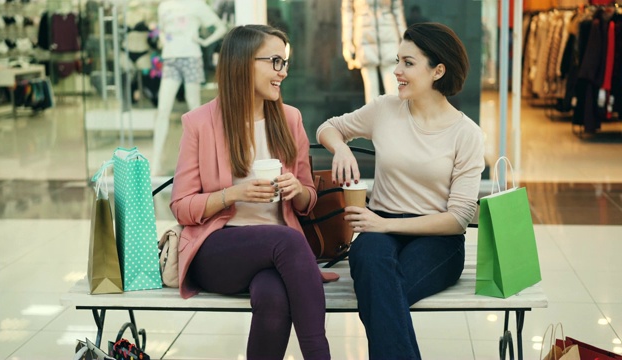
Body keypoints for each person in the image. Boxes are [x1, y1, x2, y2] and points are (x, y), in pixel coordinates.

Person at [317, 22, 485, 359]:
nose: (396, 71)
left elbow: (457, 219)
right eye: (398, 61)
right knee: (374, 269)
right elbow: (328, 128)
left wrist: (385, 225)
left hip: (438, 240)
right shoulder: (384, 109)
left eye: (408, 63)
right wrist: (343, 148)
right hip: (378, 228)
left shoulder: (466, 134)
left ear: (438, 70)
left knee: (379, 291)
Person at [170, 24, 331, 360]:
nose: (283, 72)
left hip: (276, 255)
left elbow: (308, 201)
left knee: (274, 297)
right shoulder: (199, 122)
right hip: (217, 249)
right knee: (285, 240)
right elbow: (182, 207)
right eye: (275, 61)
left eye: (285, 63)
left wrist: (297, 188)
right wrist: (233, 194)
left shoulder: (290, 119)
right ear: (243, 63)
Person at [152, 0, 227, 175]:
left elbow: (221, 27)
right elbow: (161, 30)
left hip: (191, 57)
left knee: (194, 109)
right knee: (163, 109)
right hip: (170, 59)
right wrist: (164, 40)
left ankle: (204, 162)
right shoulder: (164, 6)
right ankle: (155, 163)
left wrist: (204, 41)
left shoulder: (197, 5)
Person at [341, 0, 406, 104]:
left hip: (389, 33)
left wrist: (404, 39)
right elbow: (347, 11)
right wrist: (347, 42)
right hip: (364, 35)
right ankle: (373, 119)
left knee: (393, 89)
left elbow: (397, 10)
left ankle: (395, 119)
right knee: (371, 90)